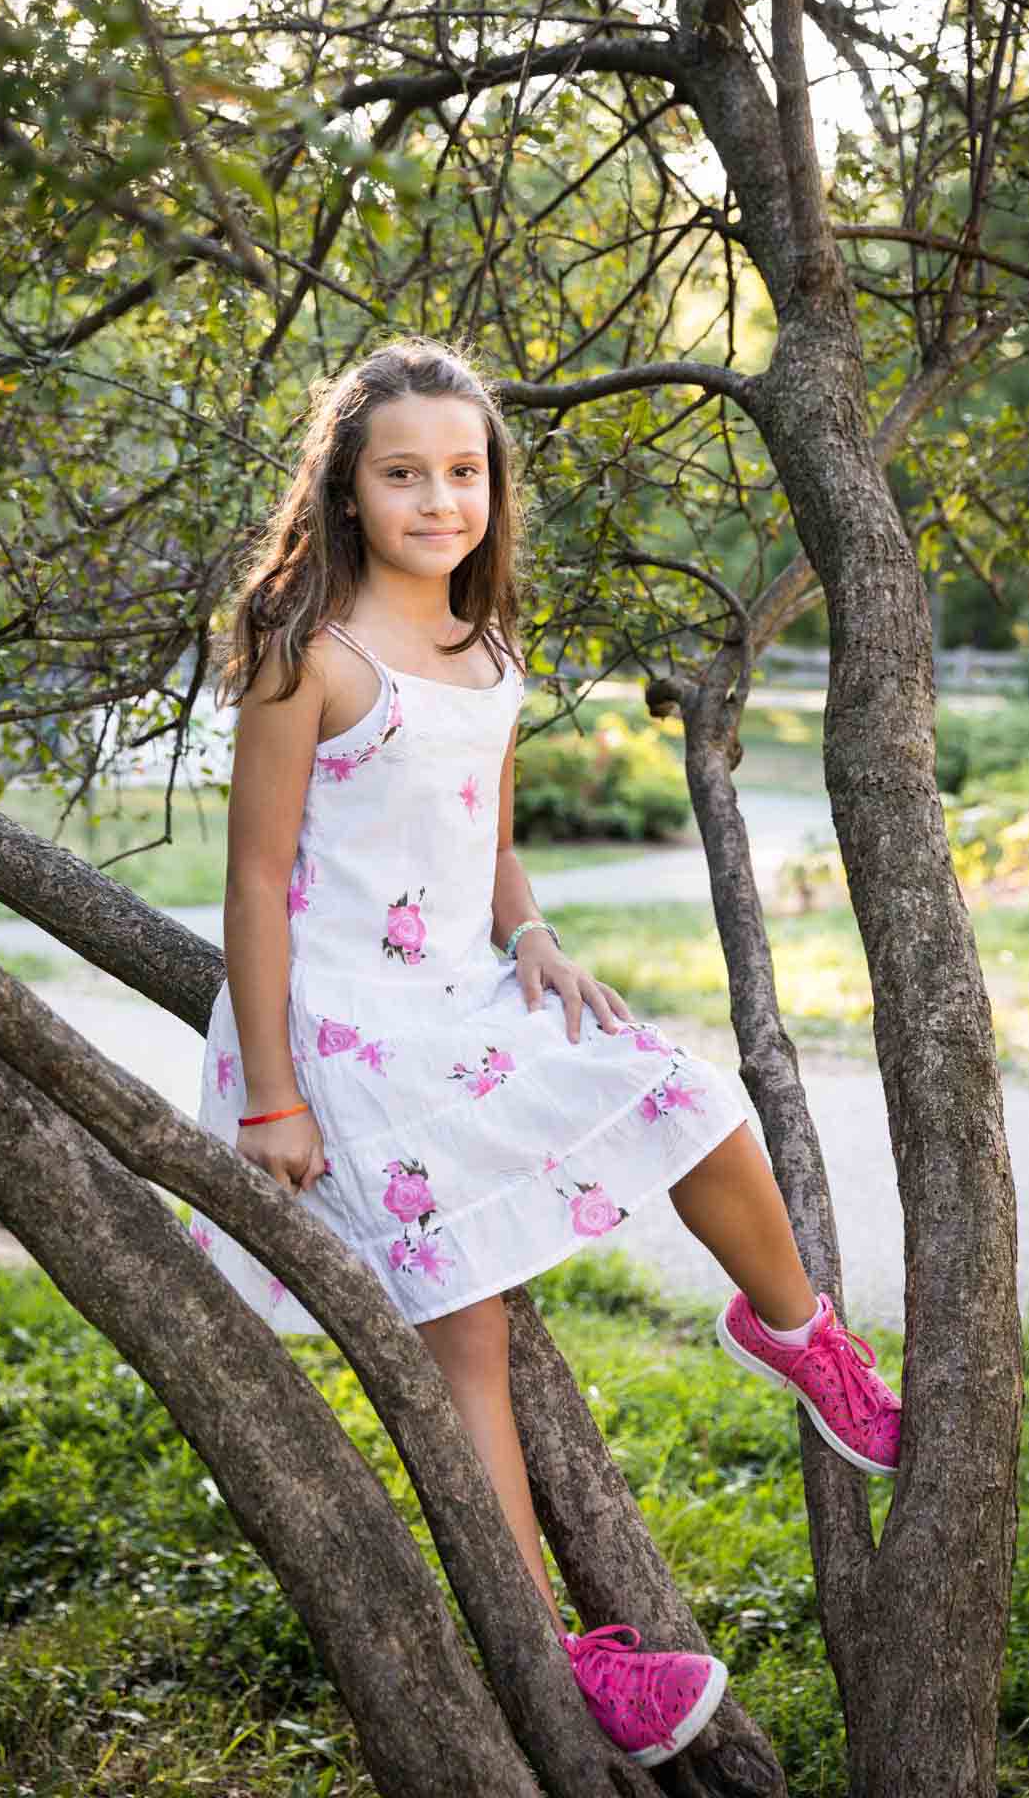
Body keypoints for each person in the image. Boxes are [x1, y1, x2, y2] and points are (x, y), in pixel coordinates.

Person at [196, 337, 901, 1768]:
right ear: (345, 490)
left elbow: (486, 843)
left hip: (465, 993)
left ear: (493, 489)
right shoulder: (308, 657)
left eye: (463, 473)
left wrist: (532, 935)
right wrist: (270, 1093)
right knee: (465, 1330)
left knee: (687, 1095)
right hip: (342, 1031)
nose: (437, 500)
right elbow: (255, 882)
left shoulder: (490, 651)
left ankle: (794, 1332)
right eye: (403, 474)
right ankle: (558, 1653)